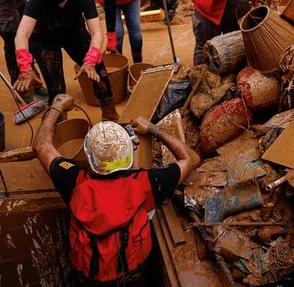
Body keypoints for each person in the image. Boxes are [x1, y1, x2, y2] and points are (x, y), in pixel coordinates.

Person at [32, 94, 201, 286]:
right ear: (129, 154)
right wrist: (153, 129)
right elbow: (191, 159)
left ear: (89, 157)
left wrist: (57, 106)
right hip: (133, 276)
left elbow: (41, 146)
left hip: (86, 279)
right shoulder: (147, 183)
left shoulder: (73, 180)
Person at [14, 0, 120, 121]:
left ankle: (111, 117)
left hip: (75, 36)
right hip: (45, 41)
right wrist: (25, 66)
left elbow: (96, 32)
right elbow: (22, 33)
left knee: (100, 74)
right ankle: (61, 126)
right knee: (57, 90)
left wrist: (92, 58)